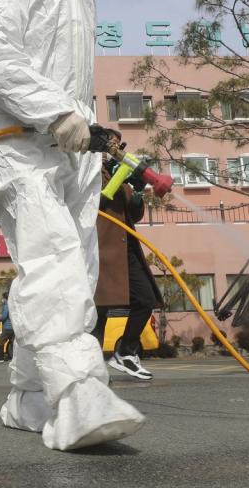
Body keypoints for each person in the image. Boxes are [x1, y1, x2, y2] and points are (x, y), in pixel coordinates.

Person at [0, 0, 145, 450]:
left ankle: (27, 397)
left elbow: (76, 74)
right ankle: (79, 394)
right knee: (55, 264)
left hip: (74, 156)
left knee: (76, 274)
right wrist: (54, 113)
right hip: (22, 145)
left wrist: (87, 127)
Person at [92, 134, 163, 381]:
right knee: (99, 309)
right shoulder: (85, 171)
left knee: (145, 299)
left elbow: (135, 213)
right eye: (108, 144)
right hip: (99, 248)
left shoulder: (114, 171)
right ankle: (92, 367)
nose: (112, 148)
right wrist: (117, 178)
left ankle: (126, 351)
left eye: (116, 145)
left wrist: (138, 190)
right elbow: (92, 205)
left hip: (126, 246)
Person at [0, 291, 14, 362]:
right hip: (13, 328)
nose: (2, 300)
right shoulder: (13, 305)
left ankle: (0, 357)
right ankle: (14, 358)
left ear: (5, 298)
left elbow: (4, 317)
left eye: (3, 298)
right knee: (13, 344)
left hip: (7, 328)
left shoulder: (6, 306)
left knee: (0, 343)